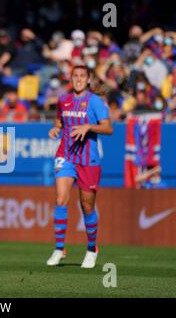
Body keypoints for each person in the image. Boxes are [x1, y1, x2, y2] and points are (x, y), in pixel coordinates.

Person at [46, 65, 113, 269]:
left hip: (88, 160)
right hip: (65, 154)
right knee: (60, 199)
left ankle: (92, 249)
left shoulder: (94, 101)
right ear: (70, 78)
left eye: (82, 76)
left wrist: (89, 127)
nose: (78, 79)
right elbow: (59, 119)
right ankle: (59, 249)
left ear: (89, 79)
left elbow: (108, 127)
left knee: (87, 206)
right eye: (75, 75)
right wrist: (56, 127)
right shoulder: (63, 100)